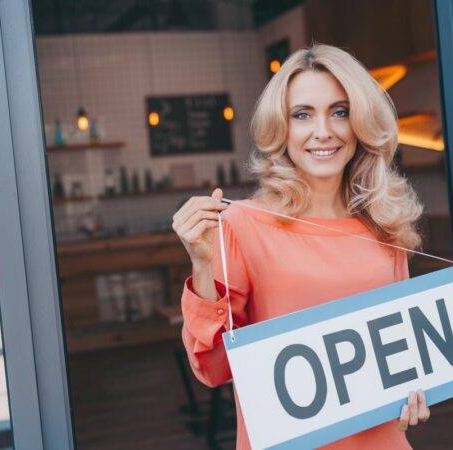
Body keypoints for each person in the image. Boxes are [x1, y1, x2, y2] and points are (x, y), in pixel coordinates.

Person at [172, 43, 429, 449]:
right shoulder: (243, 226)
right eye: (303, 114)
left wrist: (417, 394)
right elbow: (214, 368)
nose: (323, 131)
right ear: (282, 128)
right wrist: (202, 266)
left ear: (360, 121)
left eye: (340, 112)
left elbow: (404, 364)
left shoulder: (387, 225)